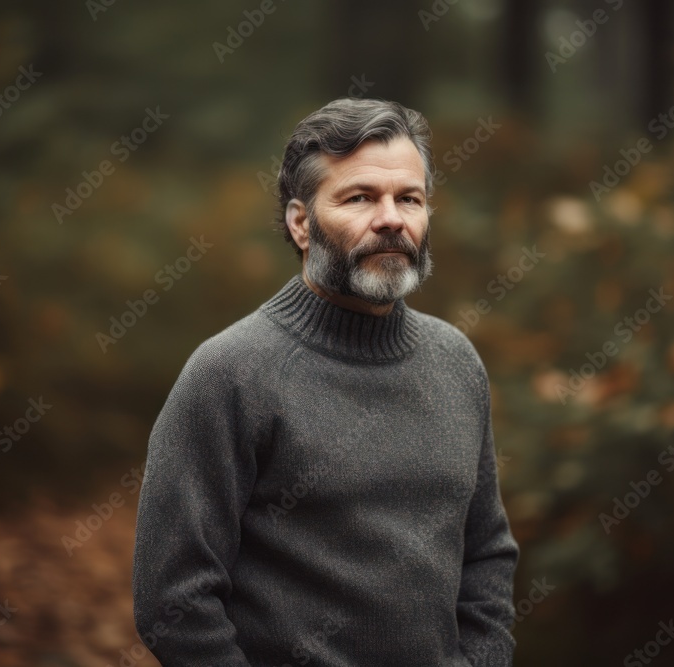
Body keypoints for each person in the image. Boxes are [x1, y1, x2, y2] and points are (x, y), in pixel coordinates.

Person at [132, 97, 518, 666]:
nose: (391, 218)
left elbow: (486, 556)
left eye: (408, 198)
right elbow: (174, 602)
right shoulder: (230, 372)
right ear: (300, 222)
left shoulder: (456, 362)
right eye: (359, 197)